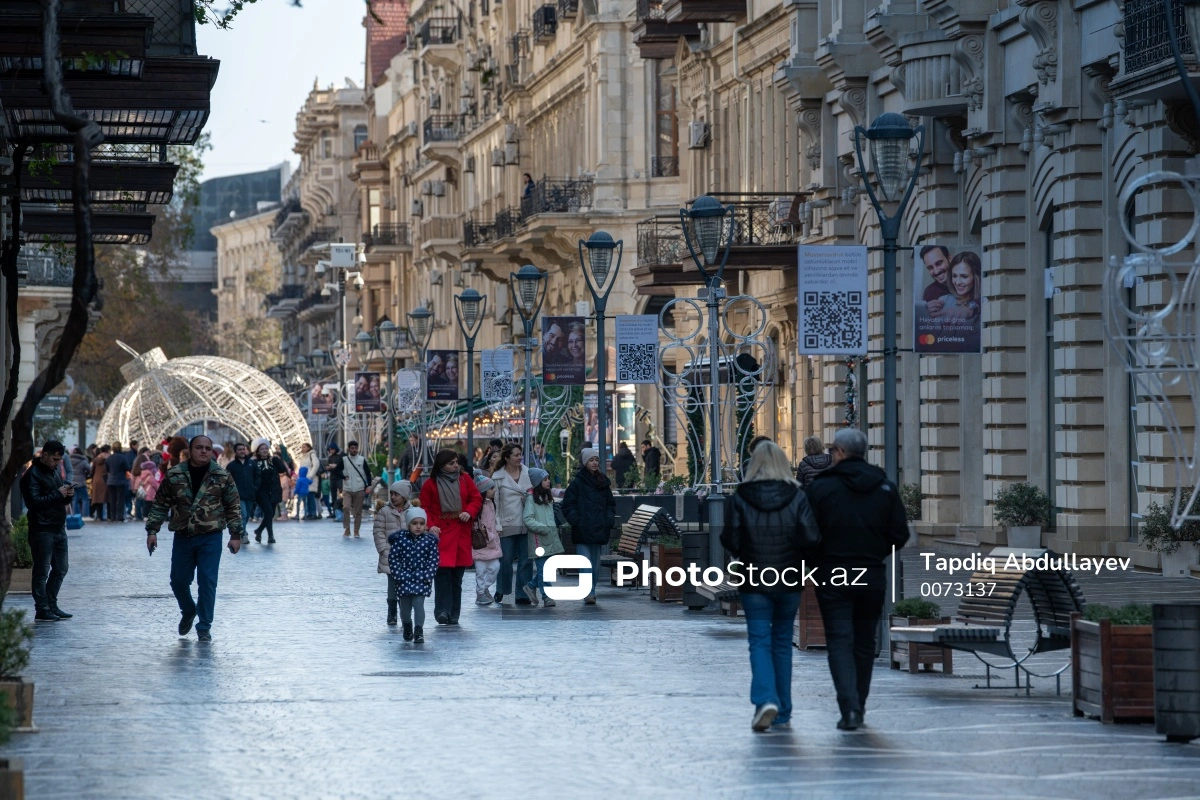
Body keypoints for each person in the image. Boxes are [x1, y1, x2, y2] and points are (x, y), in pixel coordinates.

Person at [805, 427, 910, 731]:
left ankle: (848, 708)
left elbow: (807, 534)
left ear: (838, 452)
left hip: (833, 573)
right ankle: (858, 706)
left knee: (839, 640)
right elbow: (899, 534)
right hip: (870, 573)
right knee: (865, 642)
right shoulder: (884, 487)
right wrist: (874, 554)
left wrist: (818, 562)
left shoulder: (822, 489)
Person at [720, 441, 820, 731]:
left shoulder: (740, 497)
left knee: (760, 641)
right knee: (781, 643)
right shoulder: (798, 496)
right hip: (789, 579)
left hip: (754, 579)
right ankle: (784, 710)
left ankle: (765, 699)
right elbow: (811, 538)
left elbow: (731, 540)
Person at [145, 435, 244, 641]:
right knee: (178, 581)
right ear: (190, 450)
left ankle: (204, 626)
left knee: (207, 581)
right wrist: (152, 531)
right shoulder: (175, 475)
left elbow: (233, 506)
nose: (204, 451)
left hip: (211, 537)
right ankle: (189, 610)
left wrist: (236, 534)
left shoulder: (221, 475)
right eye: (199, 447)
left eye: (208, 448)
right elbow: (161, 504)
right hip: (184, 536)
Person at [419, 449, 482, 625]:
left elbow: (476, 499)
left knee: (457, 577)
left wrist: (469, 513)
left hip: (461, 532)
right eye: (451, 463)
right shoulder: (430, 484)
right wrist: (430, 525)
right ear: (442, 465)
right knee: (441, 574)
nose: (456, 465)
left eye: (456, 462)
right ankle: (442, 611)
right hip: (441, 533)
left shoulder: (465, 479)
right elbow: (425, 507)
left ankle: (454, 613)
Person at [20, 441, 74, 621]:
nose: (57, 463)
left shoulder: (53, 472)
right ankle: (42, 608)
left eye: (59, 460)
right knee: (42, 570)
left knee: (61, 568)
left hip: (58, 527)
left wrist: (66, 496)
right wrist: (58, 494)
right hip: (42, 529)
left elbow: (56, 499)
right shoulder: (32, 475)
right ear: (44, 455)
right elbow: (34, 503)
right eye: (54, 459)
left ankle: (51, 604)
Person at [561, 447, 615, 605]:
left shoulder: (603, 482)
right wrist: (576, 520)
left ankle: (591, 589)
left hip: (598, 529)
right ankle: (589, 592)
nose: (595, 462)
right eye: (591, 460)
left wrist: (608, 520)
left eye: (597, 459)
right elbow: (568, 505)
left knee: (595, 566)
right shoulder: (577, 483)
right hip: (583, 530)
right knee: (586, 563)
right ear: (585, 462)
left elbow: (610, 504)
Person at [388, 506, 439, 643]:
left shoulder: (429, 541)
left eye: (421, 524)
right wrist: (399, 575)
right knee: (404, 609)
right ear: (408, 524)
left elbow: (433, 560)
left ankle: (419, 630)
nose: (418, 527)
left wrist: (427, 575)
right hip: (404, 580)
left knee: (418, 605)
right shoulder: (400, 540)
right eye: (415, 523)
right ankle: (407, 625)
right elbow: (393, 559)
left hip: (421, 580)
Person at [492, 442, 532, 605]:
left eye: (520, 454)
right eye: (516, 454)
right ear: (507, 457)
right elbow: (496, 503)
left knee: (526, 560)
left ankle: (523, 594)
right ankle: (503, 589)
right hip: (507, 523)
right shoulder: (498, 477)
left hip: (527, 521)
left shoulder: (528, 473)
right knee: (506, 560)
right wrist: (497, 524)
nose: (519, 457)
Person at [521, 468, 564, 607]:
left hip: (549, 539)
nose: (548, 481)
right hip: (539, 540)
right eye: (545, 479)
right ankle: (547, 597)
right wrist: (543, 529)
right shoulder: (531, 499)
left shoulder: (547, 498)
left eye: (548, 479)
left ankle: (531, 586)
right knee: (544, 569)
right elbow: (527, 519)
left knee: (546, 569)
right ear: (538, 482)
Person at [373, 480, 413, 626]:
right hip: (390, 554)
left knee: (406, 586)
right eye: (392, 494)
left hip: (408, 556)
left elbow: (418, 530)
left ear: (404, 495)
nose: (393, 497)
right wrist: (383, 549)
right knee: (392, 585)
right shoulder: (384, 511)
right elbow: (378, 531)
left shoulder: (412, 511)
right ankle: (392, 612)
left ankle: (405, 612)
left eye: (397, 494)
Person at [472, 475, 502, 605]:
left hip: (493, 542)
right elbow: (475, 524)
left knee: (495, 567)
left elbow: (494, 520)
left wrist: (496, 530)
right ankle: (480, 593)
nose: (494, 490)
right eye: (491, 488)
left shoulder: (491, 504)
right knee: (480, 570)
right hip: (481, 543)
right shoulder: (479, 506)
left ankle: (485, 588)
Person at [250, 438, 287, 544]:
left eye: (266, 448)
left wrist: (277, 459)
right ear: (257, 451)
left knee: (269, 514)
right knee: (269, 512)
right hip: (261, 491)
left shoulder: (273, 460)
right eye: (262, 449)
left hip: (273, 489)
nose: (265, 450)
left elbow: (282, 470)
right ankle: (270, 536)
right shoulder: (254, 462)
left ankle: (259, 531)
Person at [339, 440, 372, 537]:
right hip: (347, 488)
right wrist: (343, 477)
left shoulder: (361, 460)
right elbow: (336, 471)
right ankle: (347, 529)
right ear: (349, 449)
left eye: (356, 448)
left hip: (359, 488)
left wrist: (368, 486)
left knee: (358, 510)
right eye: (352, 448)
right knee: (346, 507)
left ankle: (356, 530)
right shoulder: (344, 460)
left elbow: (367, 473)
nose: (354, 450)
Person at [226, 443, 259, 541]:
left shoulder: (251, 463)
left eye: (243, 449)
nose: (242, 451)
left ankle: (243, 531)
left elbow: (258, 475)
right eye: (240, 449)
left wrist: (255, 487)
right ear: (236, 451)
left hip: (250, 493)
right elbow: (227, 479)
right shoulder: (231, 466)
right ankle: (242, 535)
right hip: (238, 495)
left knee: (247, 515)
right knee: (243, 515)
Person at [105, 442, 131, 522]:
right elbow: (127, 468)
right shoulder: (123, 457)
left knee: (112, 499)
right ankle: (119, 516)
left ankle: (112, 516)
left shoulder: (109, 458)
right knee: (120, 499)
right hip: (120, 480)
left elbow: (107, 469)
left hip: (111, 481)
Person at [68, 446, 90, 518]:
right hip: (81, 482)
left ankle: (75, 515)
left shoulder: (68, 460)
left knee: (74, 500)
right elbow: (89, 469)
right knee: (85, 499)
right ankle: (85, 515)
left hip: (71, 483)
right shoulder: (83, 461)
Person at [89, 444, 109, 520]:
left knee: (97, 499)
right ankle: (109, 516)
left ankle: (99, 516)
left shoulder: (95, 460)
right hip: (105, 479)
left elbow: (92, 471)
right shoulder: (108, 457)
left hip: (96, 479)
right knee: (107, 499)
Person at [325, 443, 344, 520]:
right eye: (330, 449)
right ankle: (334, 511)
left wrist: (335, 466)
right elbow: (327, 466)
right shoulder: (330, 457)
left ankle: (340, 510)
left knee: (341, 494)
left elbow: (342, 465)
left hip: (339, 477)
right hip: (332, 477)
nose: (331, 451)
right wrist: (329, 467)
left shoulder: (340, 457)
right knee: (333, 495)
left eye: (332, 449)